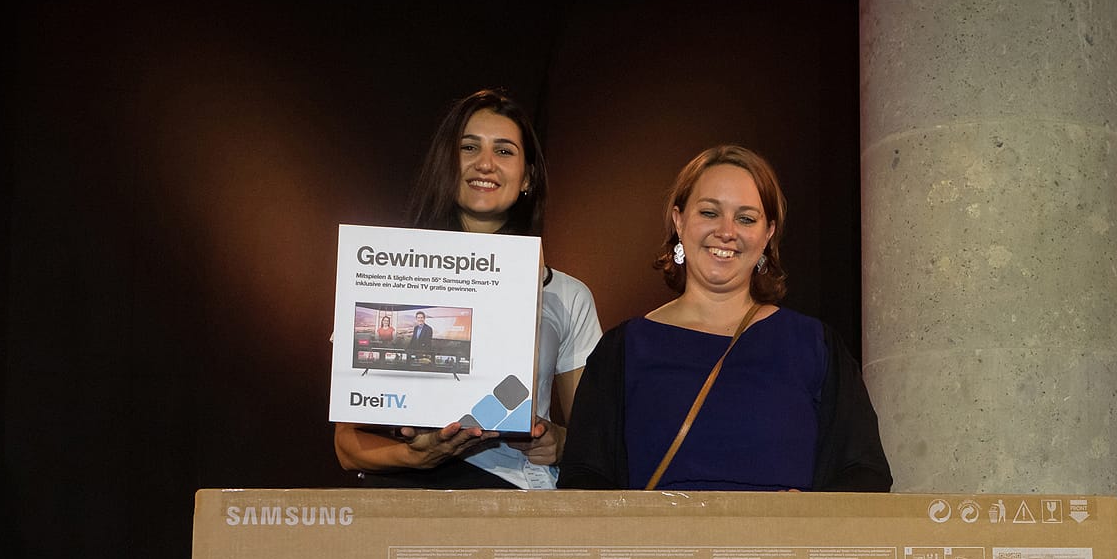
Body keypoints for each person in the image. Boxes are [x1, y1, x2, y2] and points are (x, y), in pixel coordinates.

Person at [557, 145, 890, 492]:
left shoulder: (815, 346)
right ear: (679, 221)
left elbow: (865, 473)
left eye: (746, 218)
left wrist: (809, 515)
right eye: (709, 212)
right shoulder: (623, 349)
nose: (726, 231)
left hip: (781, 530)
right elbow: (584, 479)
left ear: (768, 233)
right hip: (660, 531)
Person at [334, 88, 602, 489]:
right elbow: (347, 445)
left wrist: (560, 442)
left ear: (527, 176)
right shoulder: (386, 275)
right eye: (469, 147)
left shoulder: (566, 295)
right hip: (404, 496)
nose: (485, 163)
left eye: (504, 151)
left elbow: (593, 440)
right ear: (446, 163)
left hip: (511, 498)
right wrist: (415, 456)